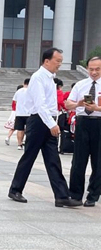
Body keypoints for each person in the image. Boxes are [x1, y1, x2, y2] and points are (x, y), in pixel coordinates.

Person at [8, 48, 82, 207]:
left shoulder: (50, 78)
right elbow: (40, 105)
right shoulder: (38, 78)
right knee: (29, 156)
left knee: (53, 159)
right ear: (46, 61)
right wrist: (52, 124)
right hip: (39, 122)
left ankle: (61, 195)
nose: (59, 64)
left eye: (61, 61)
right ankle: (15, 189)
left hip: (48, 121)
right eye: (58, 61)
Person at [66, 55, 101, 207]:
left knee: (98, 162)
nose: (94, 72)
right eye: (91, 69)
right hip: (83, 123)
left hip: (99, 123)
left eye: (97, 69)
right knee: (78, 160)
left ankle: (93, 195)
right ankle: (75, 194)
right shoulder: (80, 84)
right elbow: (68, 104)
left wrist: (96, 108)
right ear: (87, 69)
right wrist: (77, 104)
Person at [11, 78, 31, 149]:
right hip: (29, 113)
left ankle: (19, 144)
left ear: (24, 83)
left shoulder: (18, 91)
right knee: (29, 129)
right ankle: (28, 143)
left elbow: (15, 101)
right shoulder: (31, 91)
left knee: (20, 129)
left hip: (19, 113)